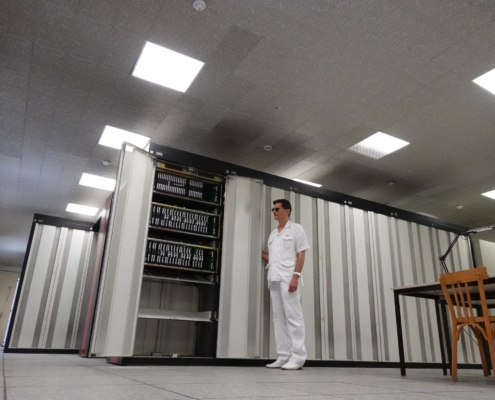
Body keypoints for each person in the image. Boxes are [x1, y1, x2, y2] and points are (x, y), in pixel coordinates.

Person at [261, 199, 309, 370]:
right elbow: (274, 257)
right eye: (273, 209)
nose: (274, 212)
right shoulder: (273, 234)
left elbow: (301, 254)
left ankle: (298, 357)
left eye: (277, 209)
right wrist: (259, 253)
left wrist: (296, 277)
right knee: (278, 318)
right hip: (274, 278)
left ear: (287, 211)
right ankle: (283, 356)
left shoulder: (296, 229)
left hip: (289, 279)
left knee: (293, 317)